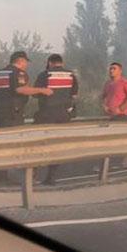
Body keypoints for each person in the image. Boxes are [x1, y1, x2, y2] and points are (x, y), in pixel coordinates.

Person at [0, 51, 53, 184]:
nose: (26, 65)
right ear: (20, 61)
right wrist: (42, 90)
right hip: (12, 114)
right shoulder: (18, 73)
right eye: (25, 62)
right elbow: (21, 89)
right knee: (13, 146)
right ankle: (19, 178)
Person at [33, 54, 79, 185]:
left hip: (46, 114)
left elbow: (36, 93)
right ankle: (51, 177)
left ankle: (32, 174)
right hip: (63, 115)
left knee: (37, 144)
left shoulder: (45, 74)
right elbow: (74, 95)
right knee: (57, 146)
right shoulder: (71, 75)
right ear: (62, 62)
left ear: (49, 62)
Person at [102, 62, 127, 168]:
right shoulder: (108, 83)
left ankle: (125, 160)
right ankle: (108, 163)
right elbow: (103, 96)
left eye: (114, 68)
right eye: (110, 69)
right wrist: (104, 106)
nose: (111, 70)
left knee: (123, 138)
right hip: (110, 116)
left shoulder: (125, 82)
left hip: (123, 115)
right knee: (109, 139)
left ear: (120, 71)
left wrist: (121, 108)